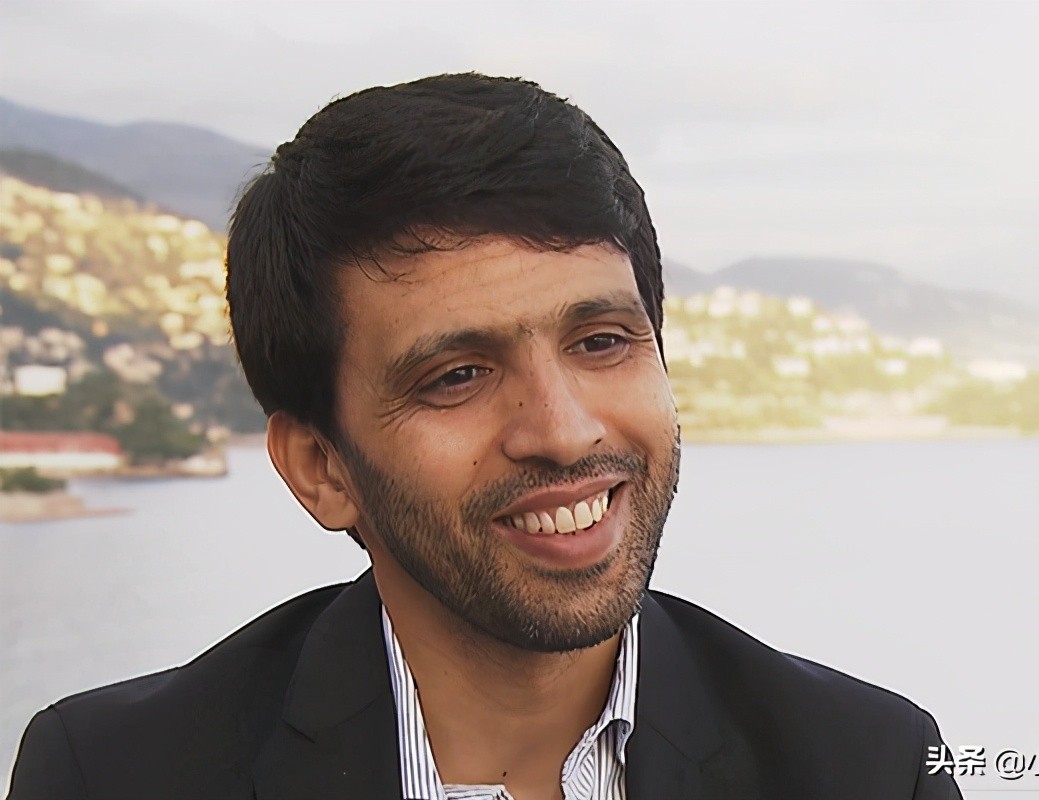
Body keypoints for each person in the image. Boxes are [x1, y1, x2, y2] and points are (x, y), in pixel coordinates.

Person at [7, 73, 962, 800]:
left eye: (601, 342)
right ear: (320, 468)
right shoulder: (116, 776)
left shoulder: (867, 769)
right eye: (456, 376)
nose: (564, 431)